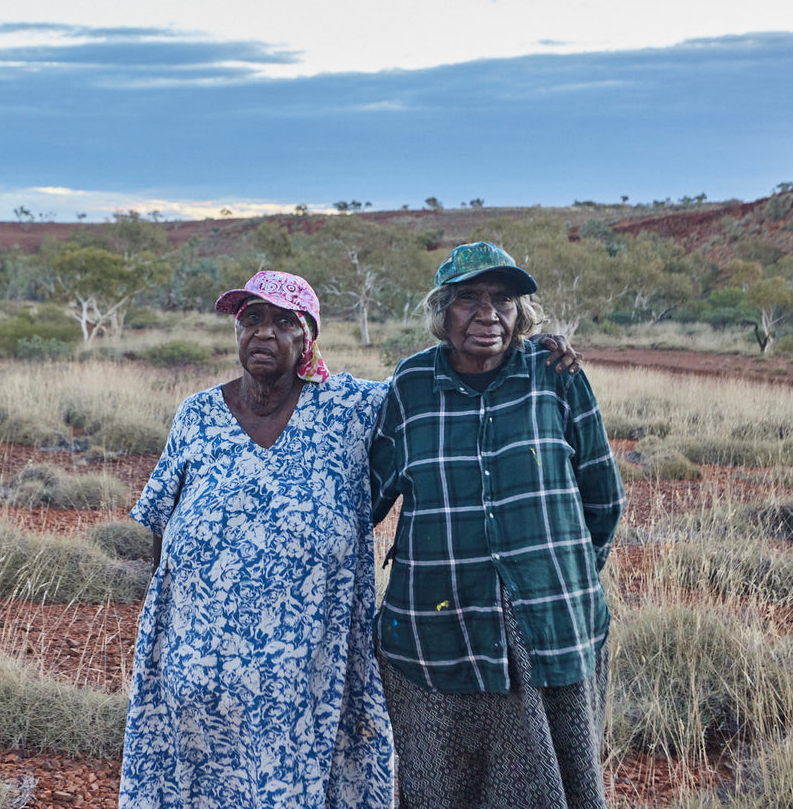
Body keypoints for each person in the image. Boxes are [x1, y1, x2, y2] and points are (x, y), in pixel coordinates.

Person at [118, 270, 582, 809]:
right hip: (194, 671)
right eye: (251, 319)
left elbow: (443, 391)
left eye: (284, 322)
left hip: (307, 680)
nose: (264, 332)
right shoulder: (197, 414)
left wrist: (523, 353)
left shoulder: (352, 408)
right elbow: (162, 524)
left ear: (309, 337)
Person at [370, 242, 624, 809]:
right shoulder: (412, 384)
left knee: (559, 783)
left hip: (551, 623)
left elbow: (604, 496)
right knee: (441, 785)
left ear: (520, 312)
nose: (488, 314)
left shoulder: (555, 375)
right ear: (443, 311)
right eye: (469, 299)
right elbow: (370, 493)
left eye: (503, 300)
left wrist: (562, 575)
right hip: (437, 629)